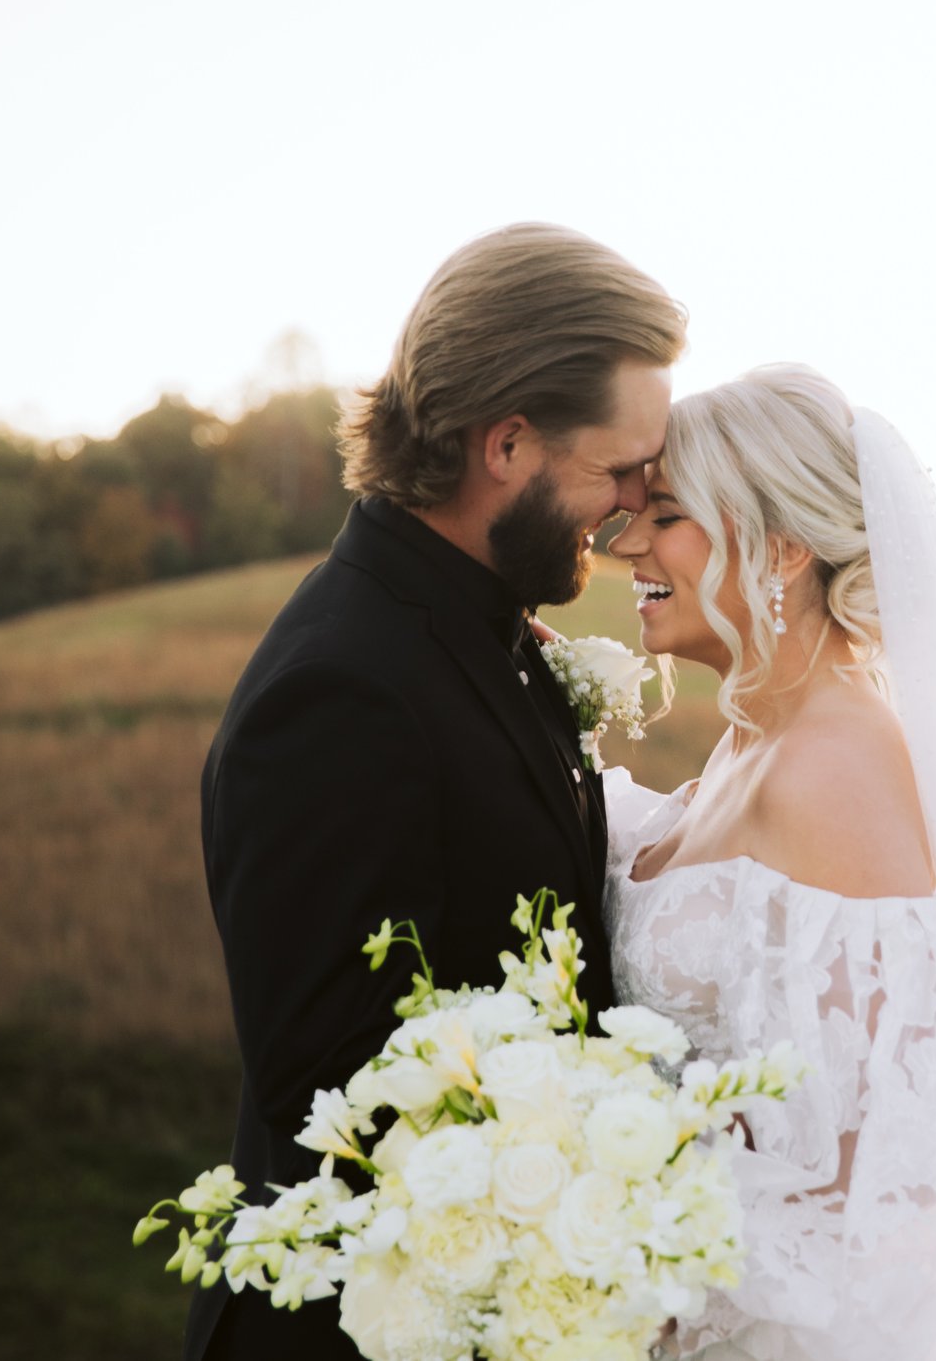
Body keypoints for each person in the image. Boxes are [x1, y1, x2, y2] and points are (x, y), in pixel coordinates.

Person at [184, 223, 685, 1361]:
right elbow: (337, 1089)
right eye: (616, 467)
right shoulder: (337, 688)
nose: (632, 505)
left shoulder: (487, 629)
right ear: (506, 441)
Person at [602, 365, 936, 1360]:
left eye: (663, 514)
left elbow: (882, 1179)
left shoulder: (838, 762)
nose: (627, 542)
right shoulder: (755, 737)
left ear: (782, 546)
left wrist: (638, 1273)